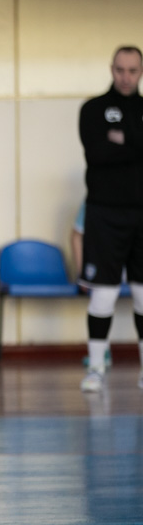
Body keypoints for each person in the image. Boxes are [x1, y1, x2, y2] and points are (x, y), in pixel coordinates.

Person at [77, 45, 143, 393]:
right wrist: (136, 144)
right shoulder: (93, 109)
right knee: (103, 293)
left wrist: (122, 140)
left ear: (141, 72)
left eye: (133, 70)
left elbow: (114, 149)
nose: (126, 77)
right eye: (120, 69)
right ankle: (96, 368)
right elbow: (97, 152)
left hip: (141, 214)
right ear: (111, 69)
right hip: (103, 213)